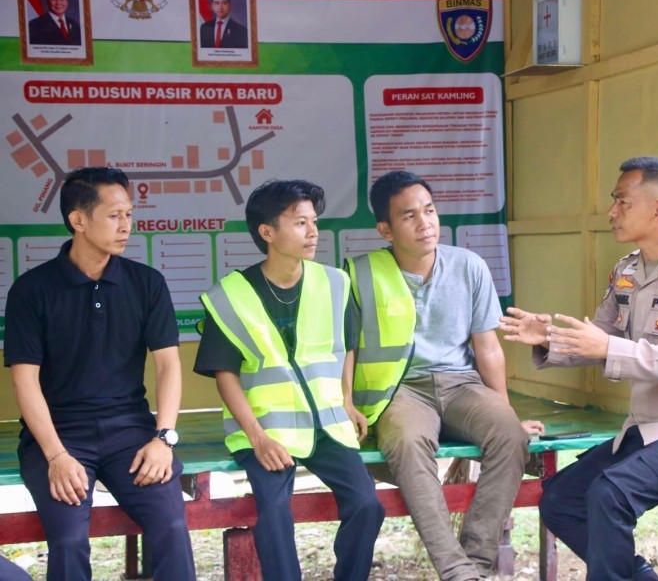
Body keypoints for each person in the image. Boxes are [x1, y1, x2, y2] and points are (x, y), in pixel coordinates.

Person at [500, 156, 658, 581]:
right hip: (643, 432)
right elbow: (599, 339)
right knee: (561, 500)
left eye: (622, 202)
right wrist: (549, 337)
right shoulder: (626, 270)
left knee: (610, 493)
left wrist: (610, 346)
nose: (611, 212)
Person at [345, 170, 543, 581]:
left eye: (430, 211)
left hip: (460, 384)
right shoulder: (359, 274)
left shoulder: (469, 266)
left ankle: (478, 564)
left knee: (510, 435)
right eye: (409, 216)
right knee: (409, 442)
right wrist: (347, 403)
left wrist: (504, 412)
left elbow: (487, 347)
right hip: (399, 390)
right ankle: (457, 572)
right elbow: (347, 349)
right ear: (385, 229)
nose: (425, 223)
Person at [4, 167, 195, 580]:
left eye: (129, 214)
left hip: (131, 430)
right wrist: (55, 456)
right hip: (57, 435)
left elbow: (168, 364)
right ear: (78, 220)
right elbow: (25, 380)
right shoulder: (32, 290)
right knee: (70, 538)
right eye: (114, 216)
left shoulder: (147, 283)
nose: (126, 226)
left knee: (172, 524)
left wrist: (163, 438)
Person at [194, 180, 384, 581]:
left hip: (328, 425)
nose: (313, 231)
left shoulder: (334, 283)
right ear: (267, 232)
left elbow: (346, 346)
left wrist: (347, 400)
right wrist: (258, 437)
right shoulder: (230, 295)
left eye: (314, 221)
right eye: (300, 223)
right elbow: (224, 374)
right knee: (275, 511)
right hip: (265, 431)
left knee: (368, 503)